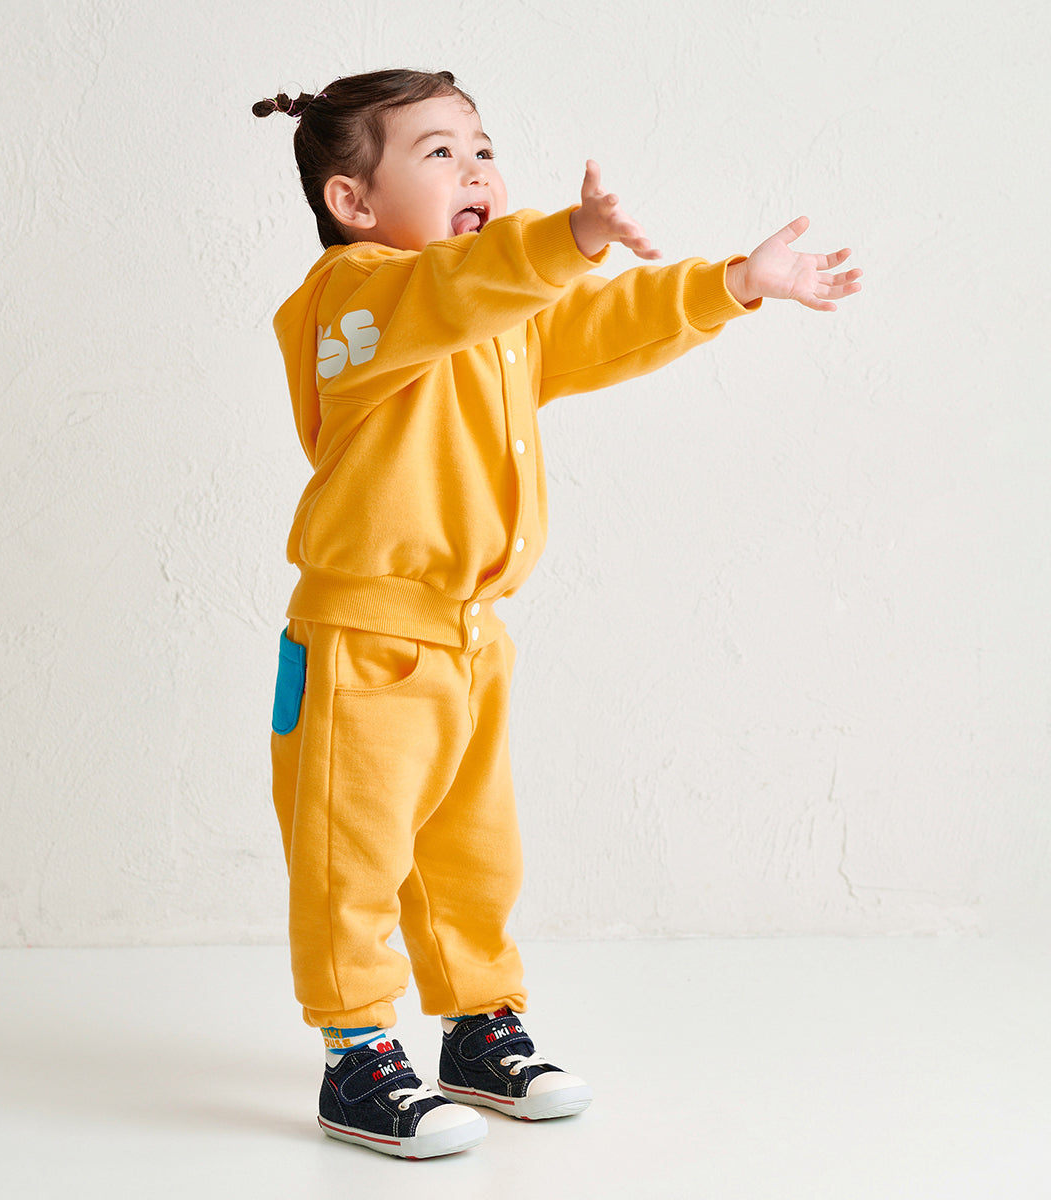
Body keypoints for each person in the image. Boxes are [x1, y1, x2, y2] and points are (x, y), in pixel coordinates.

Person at [255, 68, 861, 1159]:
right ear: (353, 202)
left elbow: (597, 323)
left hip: (470, 638)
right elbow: (456, 290)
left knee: (473, 854)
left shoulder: (494, 316)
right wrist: (564, 238)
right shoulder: (352, 306)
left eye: (483, 148)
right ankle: (355, 1053)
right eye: (440, 153)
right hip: (363, 641)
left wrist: (733, 284)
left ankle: (478, 1028)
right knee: (353, 855)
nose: (477, 169)